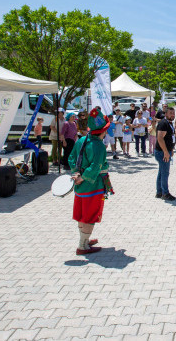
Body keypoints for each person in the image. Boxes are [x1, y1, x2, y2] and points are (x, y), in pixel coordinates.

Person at [69, 107, 113, 255]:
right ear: (103, 130)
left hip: (80, 186)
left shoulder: (81, 140)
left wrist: (76, 174)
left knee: (82, 213)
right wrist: (83, 177)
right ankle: (82, 245)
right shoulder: (99, 145)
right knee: (90, 215)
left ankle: (85, 239)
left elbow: (71, 158)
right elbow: (95, 167)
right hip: (92, 185)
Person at [155, 106, 176, 201]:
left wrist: (170, 149)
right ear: (166, 114)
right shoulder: (163, 123)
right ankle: (165, 193)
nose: (173, 115)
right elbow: (160, 138)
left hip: (166, 151)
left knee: (161, 172)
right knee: (165, 173)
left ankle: (159, 192)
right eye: (170, 113)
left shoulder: (169, 123)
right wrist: (165, 152)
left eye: (173, 113)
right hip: (162, 152)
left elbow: (169, 138)